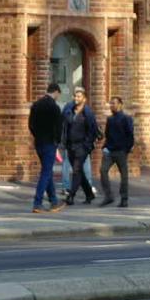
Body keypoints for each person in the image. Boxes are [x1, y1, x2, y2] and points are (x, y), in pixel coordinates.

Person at [28, 83, 64, 213]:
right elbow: (59, 128)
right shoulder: (54, 107)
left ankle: (54, 201)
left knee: (47, 171)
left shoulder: (36, 105)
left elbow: (31, 124)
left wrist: (37, 135)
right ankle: (37, 202)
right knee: (46, 173)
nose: (58, 97)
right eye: (58, 95)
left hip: (39, 142)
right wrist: (57, 142)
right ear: (56, 92)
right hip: (50, 143)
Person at [62, 87, 99, 205]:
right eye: (75, 96)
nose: (76, 98)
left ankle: (71, 196)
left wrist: (86, 145)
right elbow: (64, 120)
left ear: (84, 99)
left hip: (82, 146)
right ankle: (89, 194)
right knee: (79, 172)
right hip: (70, 145)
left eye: (79, 96)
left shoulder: (87, 113)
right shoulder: (70, 110)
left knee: (77, 170)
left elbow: (92, 131)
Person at [99, 97, 134, 208]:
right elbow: (107, 134)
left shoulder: (126, 118)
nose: (111, 105)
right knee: (103, 170)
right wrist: (104, 147)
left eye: (113, 103)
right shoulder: (110, 119)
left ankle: (124, 198)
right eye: (110, 104)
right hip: (109, 150)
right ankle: (108, 196)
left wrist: (126, 149)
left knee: (124, 175)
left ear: (120, 105)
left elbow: (130, 135)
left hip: (121, 151)